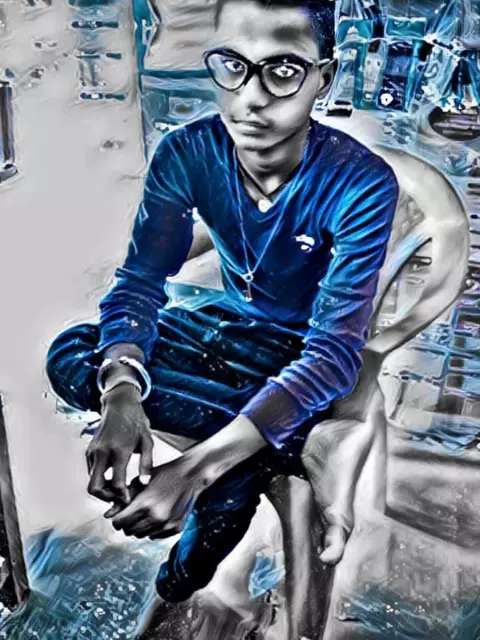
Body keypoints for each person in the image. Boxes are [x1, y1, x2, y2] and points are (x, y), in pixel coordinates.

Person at [46, 0, 399, 628]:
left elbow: (331, 354)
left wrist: (195, 467)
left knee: (225, 489)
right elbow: (140, 282)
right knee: (72, 350)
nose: (250, 98)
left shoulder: (361, 182)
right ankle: (288, 449)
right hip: (218, 324)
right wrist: (122, 394)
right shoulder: (187, 151)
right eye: (233, 65)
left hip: (294, 354)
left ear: (325, 77)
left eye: (283, 71)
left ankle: (175, 585)